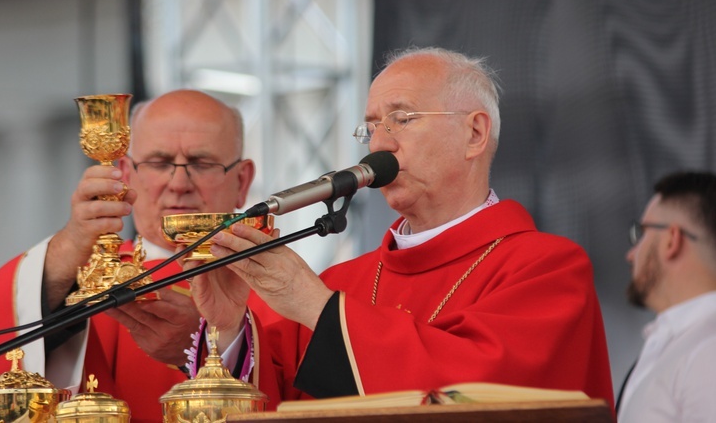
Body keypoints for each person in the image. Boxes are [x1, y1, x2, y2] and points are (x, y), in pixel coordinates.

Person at [184, 47, 615, 410]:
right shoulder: (340, 284)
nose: (379, 143)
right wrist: (230, 331)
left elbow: (478, 398)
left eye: (402, 118)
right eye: (371, 126)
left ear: (474, 133)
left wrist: (316, 305)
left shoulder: (548, 270)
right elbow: (274, 401)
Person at [0, 89, 256, 422]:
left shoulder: (279, 288)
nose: (178, 183)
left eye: (202, 163)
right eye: (158, 163)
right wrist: (68, 247)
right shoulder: (83, 277)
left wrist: (216, 343)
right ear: (126, 174)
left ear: (242, 181)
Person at [616, 171, 716, 422]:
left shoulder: (708, 352)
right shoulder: (682, 342)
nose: (631, 254)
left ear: (672, 240)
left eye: (641, 232)